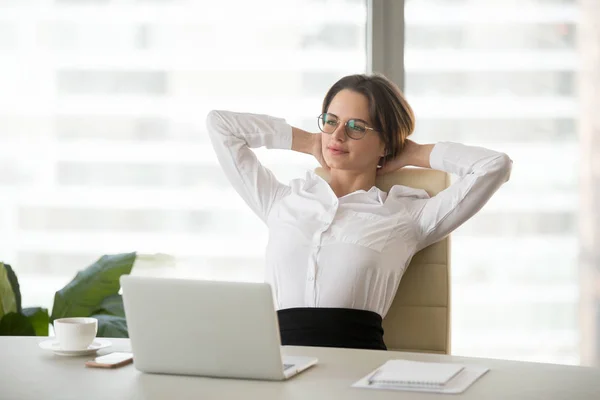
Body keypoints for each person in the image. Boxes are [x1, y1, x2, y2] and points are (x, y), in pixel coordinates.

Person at [206, 73, 512, 351]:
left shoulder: (406, 216)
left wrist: (414, 152)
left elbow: (494, 166)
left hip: (358, 372)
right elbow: (220, 125)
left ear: (385, 144)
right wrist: (309, 141)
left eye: (356, 127)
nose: (338, 135)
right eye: (331, 121)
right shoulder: (281, 201)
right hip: (278, 365)